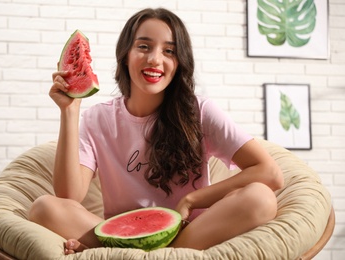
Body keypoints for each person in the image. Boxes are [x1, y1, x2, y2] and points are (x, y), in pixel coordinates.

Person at [28, 7, 284, 254]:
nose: (155, 59)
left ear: (180, 62)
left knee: (261, 198)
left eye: (169, 51)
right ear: (125, 54)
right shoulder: (98, 119)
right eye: (143, 46)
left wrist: (192, 201)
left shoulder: (199, 111)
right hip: (122, 234)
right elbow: (68, 195)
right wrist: (70, 110)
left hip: (191, 231)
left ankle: (152, 254)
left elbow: (270, 173)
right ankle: (156, 254)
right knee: (44, 208)